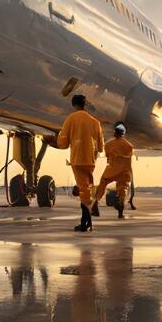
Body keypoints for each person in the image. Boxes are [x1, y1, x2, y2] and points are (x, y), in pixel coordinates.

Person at [49, 93, 103, 232]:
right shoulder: (95, 122)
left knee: (83, 191)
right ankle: (86, 221)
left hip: (77, 160)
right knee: (87, 188)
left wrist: (53, 141)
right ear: (85, 105)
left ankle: (89, 212)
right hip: (90, 161)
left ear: (73, 105)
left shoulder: (70, 119)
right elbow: (101, 146)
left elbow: (63, 142)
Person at [91, 122, 133, 219]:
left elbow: (108, 157)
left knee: (103, 183)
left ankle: (95, 203)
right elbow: (128, 157)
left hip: (112, 169)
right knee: (123, 190)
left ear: (115, 133)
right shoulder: (129, 146)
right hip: (125, 172)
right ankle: (120, 212)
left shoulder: (108, 145)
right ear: (124, 133)